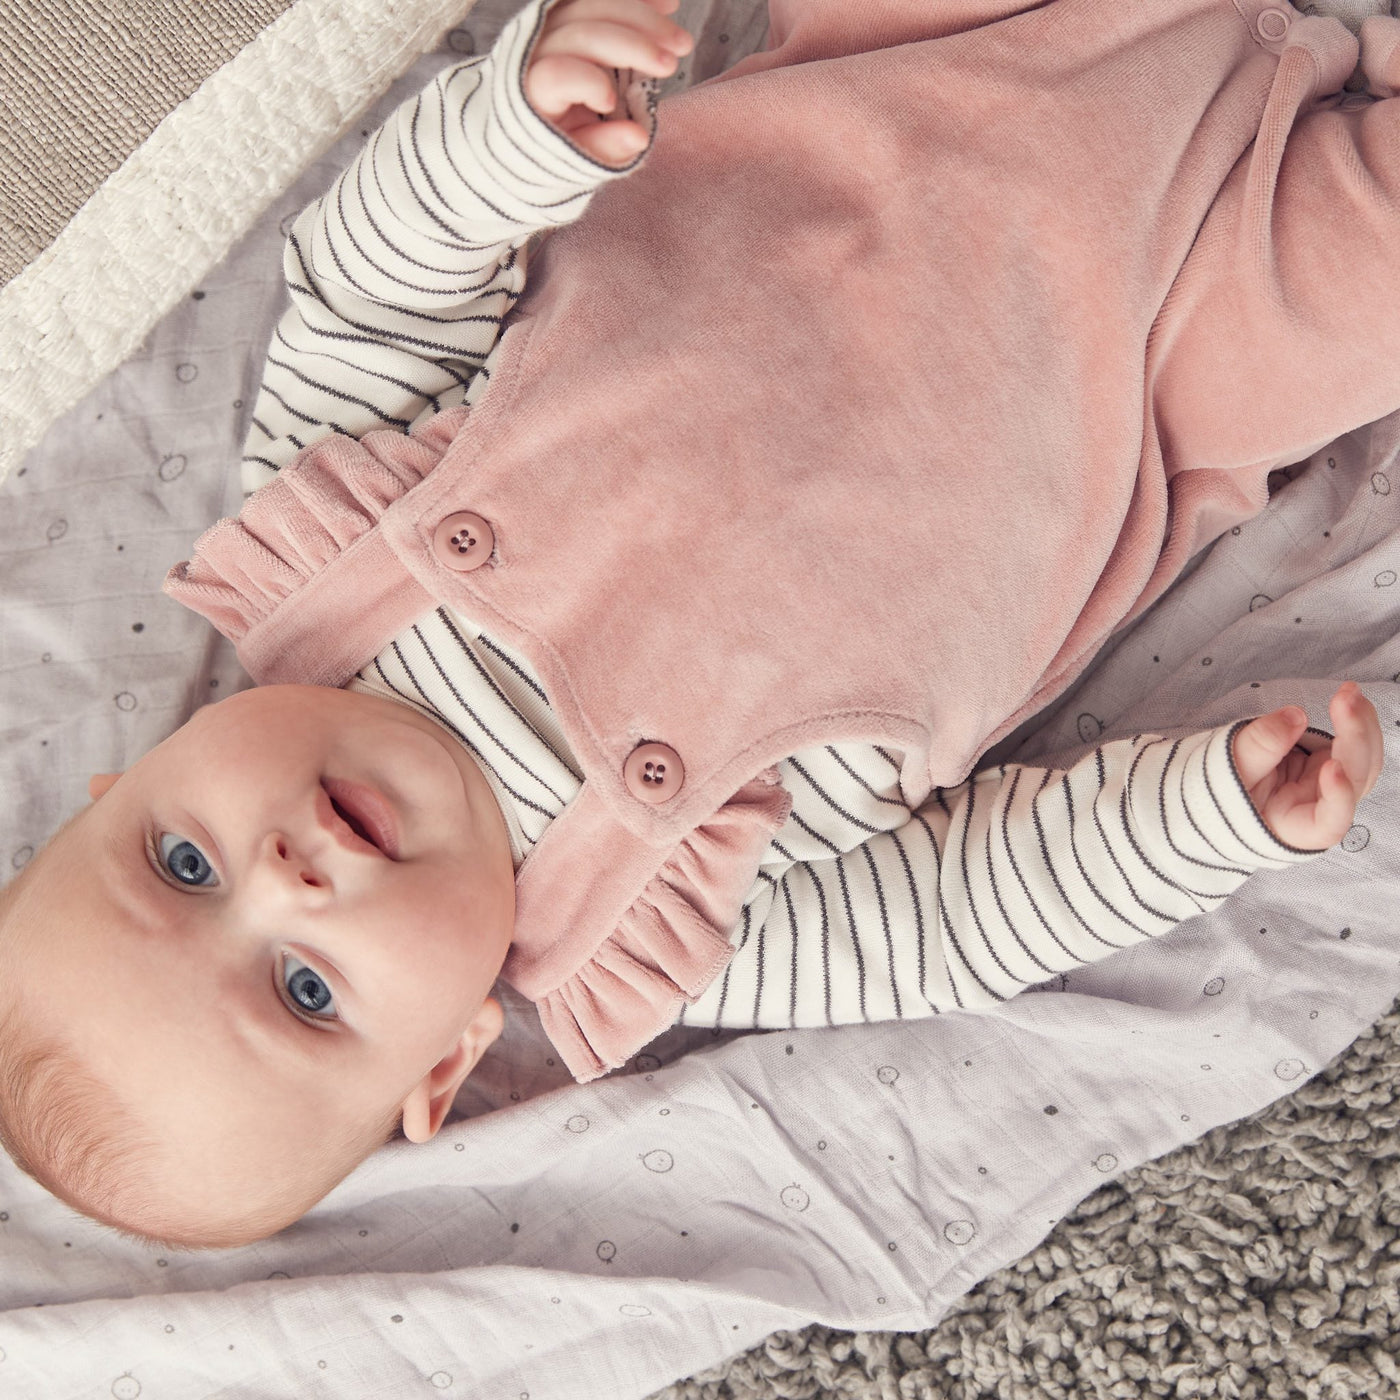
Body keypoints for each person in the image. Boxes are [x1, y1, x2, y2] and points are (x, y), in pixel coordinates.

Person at [0, 0, 1389, 1250]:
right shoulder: (675, 939)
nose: (284, 879)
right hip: (1175, 351)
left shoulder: (314, 553)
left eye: (183, 860)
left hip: (895, 83)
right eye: (306, 992)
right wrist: (1200, 821)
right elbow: (966, 914)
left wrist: (512, 136)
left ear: (133, 778)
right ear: (446, 1059)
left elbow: (371, 287)